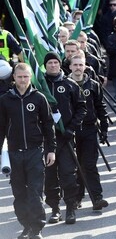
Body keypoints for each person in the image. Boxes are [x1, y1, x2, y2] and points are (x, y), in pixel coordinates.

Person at [0, 63, 56, 239]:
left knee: (35, 192)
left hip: (35, 152)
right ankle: (25, 225)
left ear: (30, 77)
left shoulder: (39, 98)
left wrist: (51, 150)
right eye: (19, 76)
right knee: (19, 193)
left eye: (26, 76)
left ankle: (37, 229)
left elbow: (48, 126)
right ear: (13, 77)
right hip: (14, 153)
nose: (23, 80)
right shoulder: (5, 100)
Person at [43, 52, 87, 225]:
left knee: (68, 174)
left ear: (60, 64)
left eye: (55, 62)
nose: (53, 65)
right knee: (50, 175)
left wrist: (71, 128)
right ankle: (55, 209)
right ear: (45, 65)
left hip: (65, 137)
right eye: (49, 63)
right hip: (47, 139)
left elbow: (82, 108)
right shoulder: (40, 85)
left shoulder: (70, 85)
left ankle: (70, 207)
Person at [69, 53, 110, 211]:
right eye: (75, 65)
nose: (78, 68)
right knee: (75, 166)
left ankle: (97, 198)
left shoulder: (93, 84)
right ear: (70, 66)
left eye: (81, 65)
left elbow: (100, 107)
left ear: (85, 66)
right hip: (71, 131)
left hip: (89, 129)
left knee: (89, 164)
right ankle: (77, 197)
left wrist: (104, 128)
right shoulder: (65, 84)